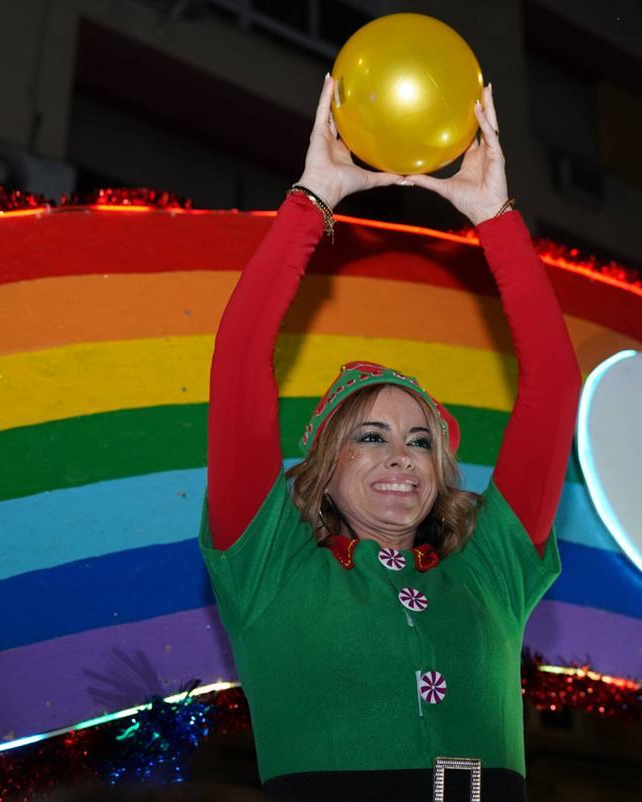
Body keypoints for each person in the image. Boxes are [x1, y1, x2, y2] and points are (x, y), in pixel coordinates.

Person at [199, 74, 582, 802]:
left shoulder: (491, 569)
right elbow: (240, 364)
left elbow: (556, 385)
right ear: (324, 465)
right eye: (371, 436)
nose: (402, 457)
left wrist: (495, 217)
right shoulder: (268, 562)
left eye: (421, 442)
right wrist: (314, 199)